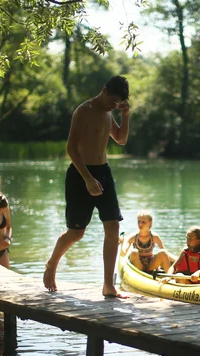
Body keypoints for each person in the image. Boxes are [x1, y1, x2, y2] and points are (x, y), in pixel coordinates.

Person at [43, 75, 131, 296]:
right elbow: (71, 148)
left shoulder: (110, 112)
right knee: (76, 233)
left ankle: (108, 286)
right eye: (112, 101)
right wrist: (87, 178)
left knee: (113, 227)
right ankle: (52, 264)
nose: (113, 106)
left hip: (103, 172)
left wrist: (125, 115)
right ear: (103, 89)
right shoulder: (84, 111)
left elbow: (120, 139)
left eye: (117, 104)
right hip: (80, 174)